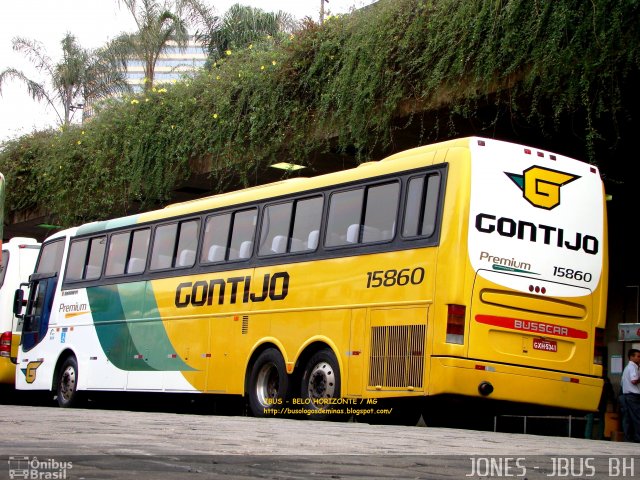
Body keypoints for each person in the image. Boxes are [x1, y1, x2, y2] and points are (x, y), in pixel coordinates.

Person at [619, 348, 640, 442]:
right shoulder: (633, 367)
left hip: (625, 395)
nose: (639, 358)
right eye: (638, 356)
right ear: (631, 357)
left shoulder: (627, 367)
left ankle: (628, 438)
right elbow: (634, 380)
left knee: (627, 419)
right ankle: (637, 437)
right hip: (633, 396)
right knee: (637, 417)